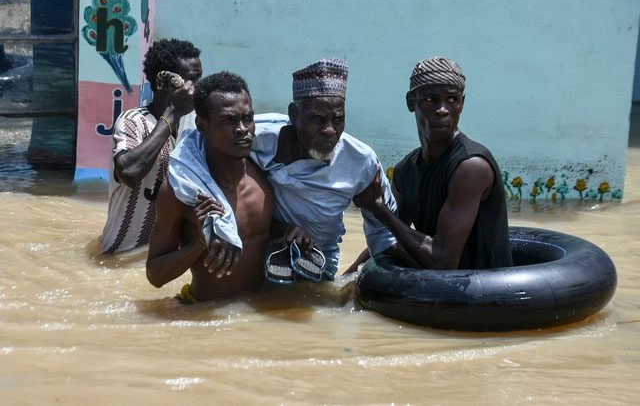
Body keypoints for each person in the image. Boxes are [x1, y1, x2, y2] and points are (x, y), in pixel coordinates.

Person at [349, 56, 513, 271]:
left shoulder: (471, 167)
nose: (442, 109)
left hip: (485, 295)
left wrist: (378, 207)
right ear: (411, 101)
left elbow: (443, 261)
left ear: (462, 104)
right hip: (438, 291)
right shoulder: (405, 170)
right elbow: (390, 238)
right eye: (431, 99)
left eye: (452, 100)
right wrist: (344, 280)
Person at [250, 58, 399, 280]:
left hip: (318, 262)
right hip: (260, 251)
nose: (330, 130)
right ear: (293, 115)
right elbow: (202, 142)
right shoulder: (255, 137)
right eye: (317, 119)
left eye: (338, 120)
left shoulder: (361, 161)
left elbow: (383, 234)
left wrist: (350, 283)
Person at [146, 72, 274, 302]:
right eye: (229, 120)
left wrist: (290, 231)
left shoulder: (266, 175)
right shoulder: (181, 191)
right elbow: (155, 276)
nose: (242, 129)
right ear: (202, 125)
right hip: (204, 317)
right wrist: (199, 245)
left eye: (248, 118)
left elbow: (263, 237)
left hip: (258, 315)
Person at [100, 39, 202, 254]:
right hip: (121, 255)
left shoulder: (197, 124)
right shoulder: (132, 121)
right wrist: (171, 115)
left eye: (199, 79)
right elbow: (129, 172)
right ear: (164, 83)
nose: (196, 88)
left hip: (165, 258)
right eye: (191, 80)